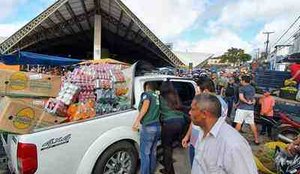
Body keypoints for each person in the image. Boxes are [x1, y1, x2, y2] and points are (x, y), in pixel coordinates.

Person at [190, 93, 258, 174]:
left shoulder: (233, 145)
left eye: (192, 109)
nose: (189, 112)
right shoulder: (202, 131)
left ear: (204, 114)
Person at [181, 77, 227, 166]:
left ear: (205, 91)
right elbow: (193, 121)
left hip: (206, 145)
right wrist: (187, 136)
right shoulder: (202, 102)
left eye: (198, 91)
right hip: (194, 142)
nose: (196, 94)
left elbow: (216, 128)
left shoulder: (219, 105)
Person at [132, 82, 160, 174]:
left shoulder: (146, 94)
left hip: (148, 127)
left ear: (147, 88)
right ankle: (151, 170)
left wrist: (137, 121)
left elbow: (145, 105)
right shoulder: (157, 96)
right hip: (157, 127)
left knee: (145, 153)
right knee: (153, 151)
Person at [159, 81, 186, 174]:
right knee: (170, 145)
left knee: (166, 148)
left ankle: (168, 170)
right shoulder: (175, 95)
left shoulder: (160, 97)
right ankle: (168, 164)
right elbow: (181, 107)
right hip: (181, 122)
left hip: (169, 123)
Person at [234, 75, 259, 145]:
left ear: (244, 81)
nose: (240, 81)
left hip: (242, 108)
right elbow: (252, 98)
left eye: (241, 80)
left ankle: (233, 138)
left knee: (238, 123)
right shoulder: (252, 88)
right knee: (252, 124)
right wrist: (250, 102)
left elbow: (241, 98)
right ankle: (256, 140)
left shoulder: (241, 88)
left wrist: (246, 102)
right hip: (250, 109)